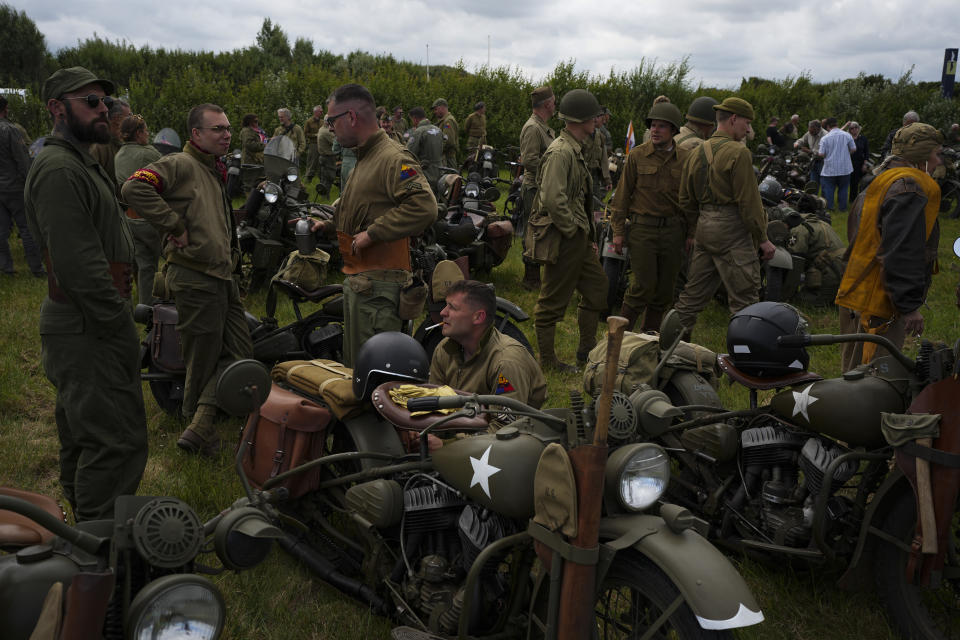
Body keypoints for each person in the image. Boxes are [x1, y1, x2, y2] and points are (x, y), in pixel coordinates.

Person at [24, 66, 147, 520]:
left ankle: (84, 536)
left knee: (86, 434)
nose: (103, 110)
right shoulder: (59, 168)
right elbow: (79, 268)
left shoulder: (81, 160)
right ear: (57, 109)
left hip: (87, 321)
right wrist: (118, 325)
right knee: (114, 441)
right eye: (90, 102)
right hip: (88, 324)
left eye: (106, 103)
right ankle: (98, 551)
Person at [122, 103, 253, 455]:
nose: (226, 134)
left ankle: (201, 420)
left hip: (221, 277)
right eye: (217, 129)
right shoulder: (181, 164)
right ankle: (197, 427)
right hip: (195, 277)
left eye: (227, 128)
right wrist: (173, 224)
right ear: (196, 134)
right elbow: (133, 188)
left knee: (240, 352)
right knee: (203, 359)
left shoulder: (211, 169)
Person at [319, 83, 436, 367]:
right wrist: (324, 224)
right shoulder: (365, 155)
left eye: (331, 121)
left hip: (379, 288)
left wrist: (372, 234)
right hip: (364, 283)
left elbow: (424, 205)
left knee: (374, 374)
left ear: (351, 117)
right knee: (356, 369)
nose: (330, 128)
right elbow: (364, 206)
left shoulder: (393, 158)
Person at [836, 122, 943, 372]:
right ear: (921, 158)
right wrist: (909, 306)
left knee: (852, 376)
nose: (939, 162)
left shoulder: (879, 181)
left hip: (858, 292)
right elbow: (900, 253)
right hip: (880, 302)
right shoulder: (909, 190)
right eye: (936, 154)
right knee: (875, 384)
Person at [673, 97, 776, 339]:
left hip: (704, 227)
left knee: (691, 298)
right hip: (734, 231)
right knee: (745, 301)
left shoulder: (696, 151)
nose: (747, 129)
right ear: (733, 119)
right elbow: (749, 202)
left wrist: (697, 226)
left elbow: (685, 199)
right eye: (746, 123)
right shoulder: (739, 152)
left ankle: (671, 350)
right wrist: (762, 238)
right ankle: (746, 358)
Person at [524, 88, 608, 372]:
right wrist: (573, 232)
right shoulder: (561, 151)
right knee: (551, 302)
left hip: (577, 236)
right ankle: (547, 363)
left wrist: (586, 236)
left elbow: (577, 199)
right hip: (565, 237)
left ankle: (586, 351)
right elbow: (552, 198)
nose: (597, 119)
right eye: (594, 115)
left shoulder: (575, 148)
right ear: (583, 118)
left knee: (597, 289)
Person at [609, 101, 691, 332]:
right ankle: (618, 340)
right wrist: (617, 232)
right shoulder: (637, 156)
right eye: (653, 126)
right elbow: (622, 197)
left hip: (674, 231)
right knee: (642, 287)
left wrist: (692, 233)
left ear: (674, 131)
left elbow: (691, 201)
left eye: (662, 126)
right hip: (643, 229)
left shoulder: (686, 159)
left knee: (664, 292)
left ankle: (647, 341)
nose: (655, 130)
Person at [430, 279, 546, 408]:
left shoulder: (506, 362)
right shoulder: (445, 349)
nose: (443, 312)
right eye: (446, 305)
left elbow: (504, 424)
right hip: (456, 423)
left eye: (452, 307)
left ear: (478, 317)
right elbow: (434, 403)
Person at [114, 114, 162, 305]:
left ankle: (146, 308)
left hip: (130, 218)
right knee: (182, 259)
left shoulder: (119, 155)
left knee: (145, 266)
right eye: (146, 131)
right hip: (151, 218)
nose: (148, 134)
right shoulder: (147, 153)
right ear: (139, 133)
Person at [0, 95, 44, 277]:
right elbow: (22, 159)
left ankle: (6, 267)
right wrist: (30, 183)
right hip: (15, 187)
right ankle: (36, 268)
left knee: (1, 230)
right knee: (27, 229)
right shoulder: (10, 130)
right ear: (5, 109)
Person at [518, 86, 556, 292]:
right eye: (554, 101)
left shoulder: (543, 127)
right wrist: (554, 168)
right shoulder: (533, 128)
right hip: (535, 188)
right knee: (532, 231)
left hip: (543, 187)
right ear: (547, 104)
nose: (555, 105)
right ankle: (530, 279)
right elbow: (530, 160)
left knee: (541, 230)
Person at [88, 98, 130, 192]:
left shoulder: (122, 143)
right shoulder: (97, 146)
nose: (131, 122)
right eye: (128, 117)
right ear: (116, 118)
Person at [818, 117, 856, 211]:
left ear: (827, 126)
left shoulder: (825, 138)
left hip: (830, 168)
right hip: (845, 168)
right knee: (843, 189)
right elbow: (853, 149)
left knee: (829, 189)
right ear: (837, 124)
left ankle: (830, 208)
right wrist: (846, 154)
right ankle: (842, 208)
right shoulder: (847, 135)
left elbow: (821, 154)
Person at [406, 106, 443, 194]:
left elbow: (408, 153)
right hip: (439, 171)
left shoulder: (419, 131)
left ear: (415, 118)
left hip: (425, 173)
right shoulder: (438, 130)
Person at [316, 105, 338, 198]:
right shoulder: (326, 132)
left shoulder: (321, 129)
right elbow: (336, 142)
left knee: (324, 177)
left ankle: (323, 196)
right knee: (329, 177)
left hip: (323, 156)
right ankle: (325, 196)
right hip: (328, 157)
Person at [795, 119, 825, 186]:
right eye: (809, 130)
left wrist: (809, 151)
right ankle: (814, 196)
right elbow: (802, 139)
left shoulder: (825, 135)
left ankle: (823, 197)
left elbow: (823, 152)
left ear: (818, 129)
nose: (810, 133)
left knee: (824, 184)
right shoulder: (809, 132)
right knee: (813, 184)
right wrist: (797, 143)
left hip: (823, 163)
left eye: (812, 131)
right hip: (813, 162)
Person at [846, 121, 870, 201]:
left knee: (864, 182)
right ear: (849, 130)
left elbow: (867, 152)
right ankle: (852, 200)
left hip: (861, 162)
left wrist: (865, 164)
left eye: (856, 127)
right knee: (853, 183)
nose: (854, 129)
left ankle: (863, 198)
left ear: (858, 128)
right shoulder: (847, 139)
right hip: (850, 162)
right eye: (852, 128)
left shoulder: (863, 138)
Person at [432, 98, 458, 169]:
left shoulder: (448, 121)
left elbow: (448, 141)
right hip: (445, 157)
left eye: (436, 109)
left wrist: (436, 151)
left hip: (448, 158)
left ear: (442, 108)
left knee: (450, 178)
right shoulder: (443, 121)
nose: (435, 112)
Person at [303, 104, 323, 182]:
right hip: (313, 144)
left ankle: (321, 179)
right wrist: (315, 135)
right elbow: (305, 134)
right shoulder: (309, 121)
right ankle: (308, 179)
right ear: (315, 112)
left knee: (321, 162)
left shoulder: (322, 121)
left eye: (322, 111)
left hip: (322, 145)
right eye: (320, 111)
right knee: (312, 162)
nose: (322, 112)